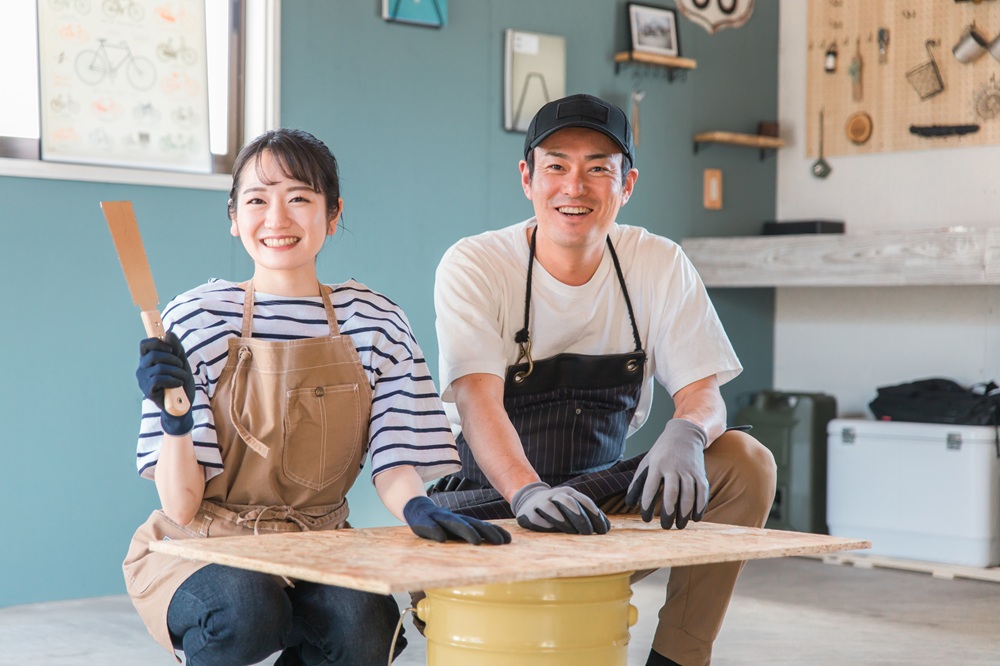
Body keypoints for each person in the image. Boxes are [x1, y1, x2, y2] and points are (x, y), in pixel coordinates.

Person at [122, 128, 510, 666]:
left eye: (299, 198)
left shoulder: (375, 322)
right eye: (257, 200)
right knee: (247, 606)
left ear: (332, 213)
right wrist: (177, 421)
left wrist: (417, 506)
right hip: (205, 543)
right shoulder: (195, 319)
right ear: (233, 217)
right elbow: (182, 505)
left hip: (319, 540)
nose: (277, 219)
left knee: (367, 626)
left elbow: (395, 461)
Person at [430, 94, 777, 666]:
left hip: (601, 502)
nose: (575, 187)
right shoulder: (476, 264)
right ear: (527, 178)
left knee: (746, 460)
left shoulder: (658, 263)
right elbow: (477, 402)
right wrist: (528, 492)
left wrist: (688, 432)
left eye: (598, 168)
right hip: (493, 504)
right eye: (556, 166)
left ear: (627, 184)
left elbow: (702, 393)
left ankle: (678, 657)